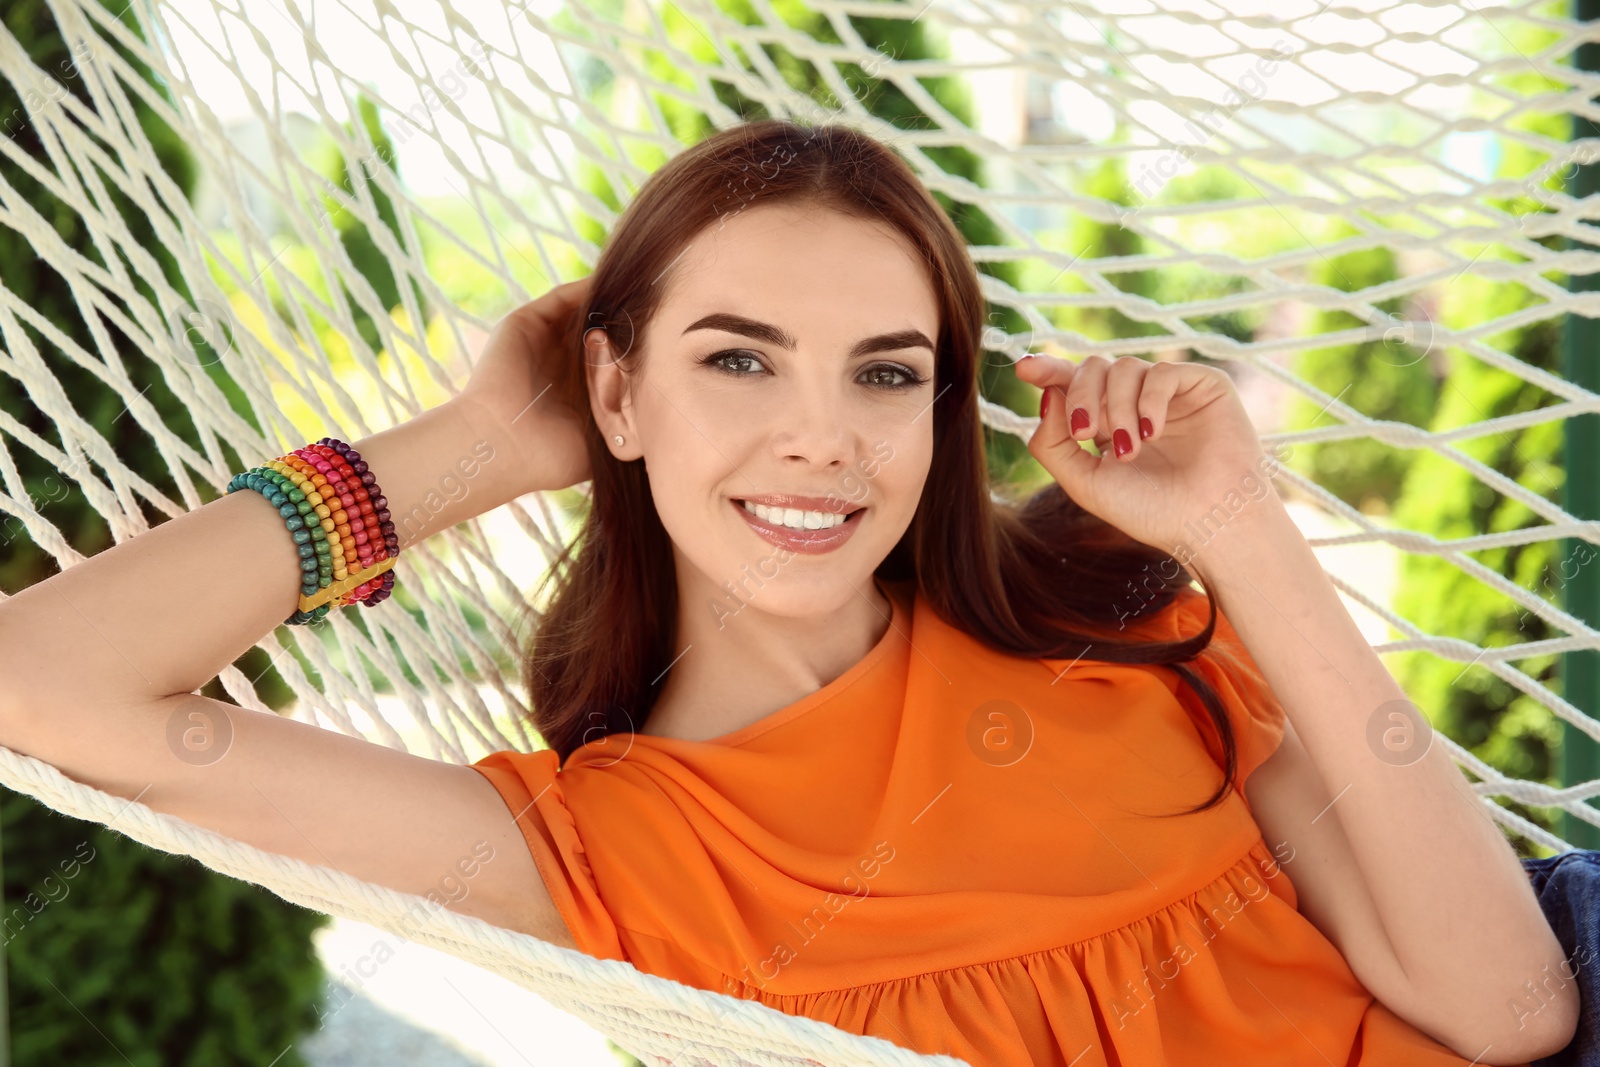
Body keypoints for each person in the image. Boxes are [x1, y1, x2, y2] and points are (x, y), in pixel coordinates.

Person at [0, 118, 1588, 1067]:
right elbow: (43, 686)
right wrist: (479, 445)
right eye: (738, 358)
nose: (822, 438)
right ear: (616, 397)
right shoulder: (610, 858)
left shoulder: (1125, 626)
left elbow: (1510, 1008)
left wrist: (1243, 530)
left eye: (885, 374)